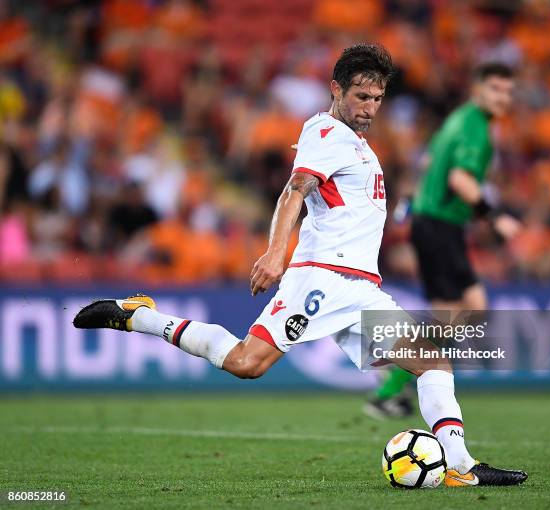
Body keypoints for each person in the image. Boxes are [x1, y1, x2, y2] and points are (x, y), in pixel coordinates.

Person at [73, 44, 527, 487]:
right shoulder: (325, 133)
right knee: (246, 363)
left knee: (433, 364)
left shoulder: (358, 144)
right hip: (322, 279)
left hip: (361, 288)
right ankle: (140, 316)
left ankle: (461, 465)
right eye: (361, 97)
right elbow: (295, 190)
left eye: (377, 99)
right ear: (336, 88)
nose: (370, 108)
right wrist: (276, 251)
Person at [367, 62, 521, 418]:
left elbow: (429, 162)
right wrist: (495, 216)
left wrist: (412, 204)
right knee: (458, 310)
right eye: (496, 89)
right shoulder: (475, 127)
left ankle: (397, 370)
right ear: (478, 89)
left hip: (437, 223)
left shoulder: (457, 120)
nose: (503, 97)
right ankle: (395, 373)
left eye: (508, 91)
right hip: (438, 224)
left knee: (471, 307)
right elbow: (458, 179)